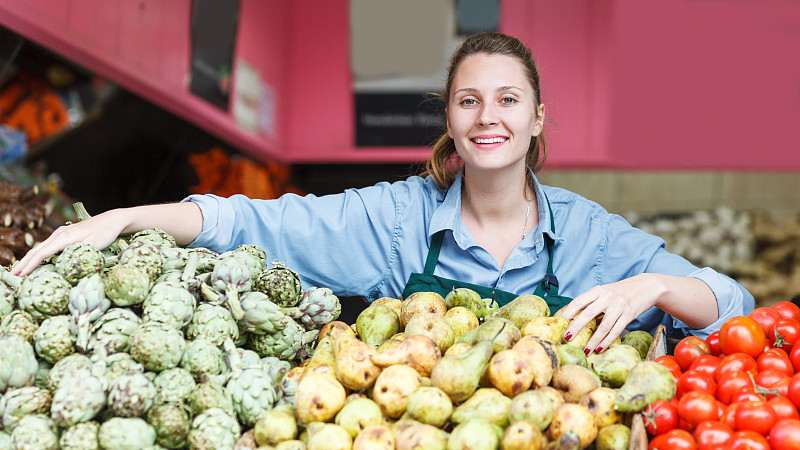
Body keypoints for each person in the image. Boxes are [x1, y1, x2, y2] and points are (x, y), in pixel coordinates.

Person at [13, 32, 753, 355]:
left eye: (507, 101)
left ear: (536, 120)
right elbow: (252, 222)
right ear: (450, 120)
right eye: (468, 102)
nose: (488, 118)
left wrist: (654, 283)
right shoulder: (395, 219)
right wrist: (117, 219)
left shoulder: (593, 237)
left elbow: (736, 307)